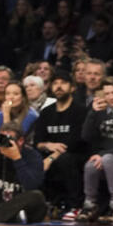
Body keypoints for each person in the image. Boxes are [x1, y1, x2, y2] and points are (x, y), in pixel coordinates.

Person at [78, 77, 113, 223]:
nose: (110, 97)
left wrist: (102, 155)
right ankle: (90, 205)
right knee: (90, 165)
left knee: (107, 159)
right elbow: (85, 136)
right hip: (102, 159)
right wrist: (92, 113)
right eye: (107, 93)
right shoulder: (98, 112)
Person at [32, 68, 87, 218]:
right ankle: (44, 204)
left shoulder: (80, 111)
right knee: (33, 158)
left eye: (63, 83)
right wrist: (48, 145)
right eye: (55, 83)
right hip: (50, 154)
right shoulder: (46, 112)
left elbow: (74, 141)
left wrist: (51, 157)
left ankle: (75, 205)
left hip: (75, 154)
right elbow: (37, 141)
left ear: (72, 87)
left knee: (64, 160)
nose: (58, 86)